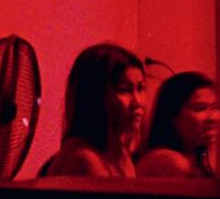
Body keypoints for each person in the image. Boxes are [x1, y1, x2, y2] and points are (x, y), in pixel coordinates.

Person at [41, 42, 148, 178]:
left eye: (140, 88)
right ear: (95, 96)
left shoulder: (119, 152)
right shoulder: (85, 159)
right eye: (124, 90)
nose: (137, 101)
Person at [137, 70, 220, 181]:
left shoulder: (193, 160)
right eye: (199, 108)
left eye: (214, 107)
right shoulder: (172, 161)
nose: (212, 117)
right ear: (172, 115)